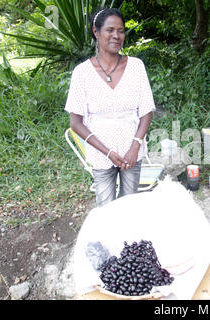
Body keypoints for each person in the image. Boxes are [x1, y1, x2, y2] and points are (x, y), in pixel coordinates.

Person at [64, 8, 155, 207]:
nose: (116, 36)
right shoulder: (82, 73)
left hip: (132, 152)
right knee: (106, 210)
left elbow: (146, 111)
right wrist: (107, 152)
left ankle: (128, 239)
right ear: (96, 32)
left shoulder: (136, 66)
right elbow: (75, 123)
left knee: (129, 206)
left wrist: (134, 147)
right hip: (100, 153)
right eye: (110, 30)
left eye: (121, 31)